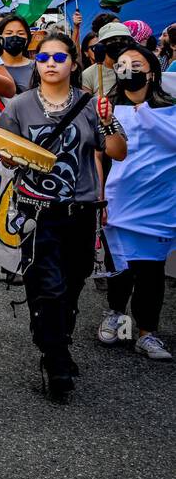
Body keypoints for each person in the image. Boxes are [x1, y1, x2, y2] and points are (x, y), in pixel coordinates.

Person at [0, 34, 127, 400]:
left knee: (72, 286)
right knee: (48, 287)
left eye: (59, 56)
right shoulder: (19, 107)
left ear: (74, 63)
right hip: (38, 214)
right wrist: (15, 156)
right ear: (37, 64)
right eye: (43, 57)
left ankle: (57, 341)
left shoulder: (90, 105)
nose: (50, 62)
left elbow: (117, 152)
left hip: (82, 211)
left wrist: (107, 121)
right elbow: (5, 156)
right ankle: (54, 360)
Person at [98, 43, 176, 360]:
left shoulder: (169, 109)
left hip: (158, 205)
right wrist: (99, 196)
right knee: (120, 267)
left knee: (151, 271)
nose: (128, 67)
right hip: (118, 202)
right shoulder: (107, 108)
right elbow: (99, 156)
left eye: (136, 62)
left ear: (152, 71)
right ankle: (117, 315)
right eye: (122, 63)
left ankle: (147, 333)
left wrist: (144, 112)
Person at [82, 21, 132, 98]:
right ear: (102, 45)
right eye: (112, 40)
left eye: (123, 39)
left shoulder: (136, 68)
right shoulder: (88, 75)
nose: (118, 43)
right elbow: (87, 106)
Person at [0, 14, 35, 94]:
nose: (15, 37)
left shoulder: (36, 68)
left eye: (20, 33)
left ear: (27, 39)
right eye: (9, 33)